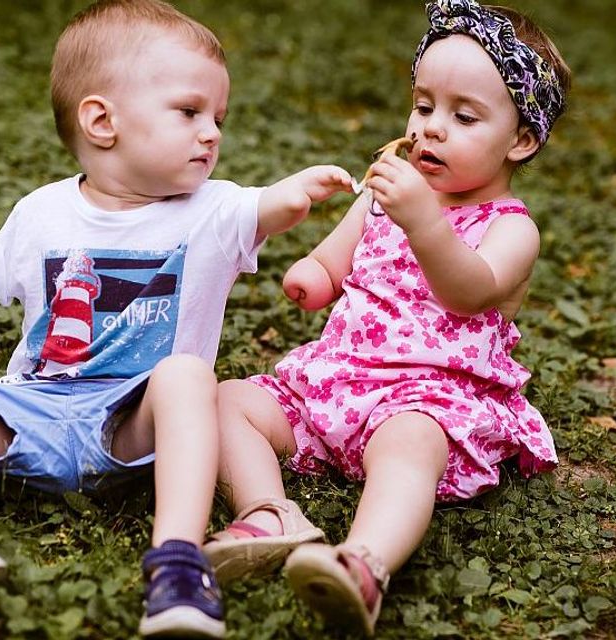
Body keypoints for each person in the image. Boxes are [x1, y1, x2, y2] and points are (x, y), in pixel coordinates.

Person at [0, 1, 354, 637]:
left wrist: (300, 191)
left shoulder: (215, 209)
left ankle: (177, 561)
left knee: (186, 376)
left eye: (219, 118)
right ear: (101, 121)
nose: (212, 132)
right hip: (31, 414)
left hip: (132, 426)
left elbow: (271, 205)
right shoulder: (38, 214)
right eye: (189, 112)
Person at [205, 0, 570, 634]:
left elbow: (469, 291)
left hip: (428, 398)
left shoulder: (512, 229)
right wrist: (312, 276)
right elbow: (335, 259)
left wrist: (424, 222)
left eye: (464, 116)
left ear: (521, 140)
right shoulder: (385, 196)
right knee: (226, 400)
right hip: (335, 385)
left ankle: (363, 563)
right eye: (424, 106)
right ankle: (268, 514)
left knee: (410, 447)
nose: (432, 128)